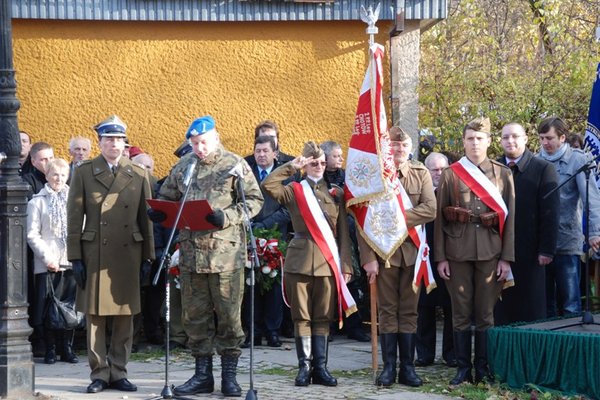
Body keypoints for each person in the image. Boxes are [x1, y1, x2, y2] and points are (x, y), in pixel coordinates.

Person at [153, 115, 263, 397]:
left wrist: (225, 217)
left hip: (225, 257)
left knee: (228, 318)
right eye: (194, 143)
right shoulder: (184, 166)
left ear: (214, 138)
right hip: (192, 257)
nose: (199, 148)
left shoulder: (234, 165)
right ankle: (202, 376)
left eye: (203, 142)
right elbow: (167, 197)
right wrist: (160, 211)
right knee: (195, 319)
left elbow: (254, 201)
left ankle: (229, 377)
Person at [67, 115, 155, 394]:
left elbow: (146, 219)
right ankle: (99, 373)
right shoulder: (83, 172)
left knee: (124, 317)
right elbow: (73, 218)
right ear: (100, 142)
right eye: (108, 140)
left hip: (129, 251)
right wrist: (75, 257)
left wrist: (148, 257)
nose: (114, 145)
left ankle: (119, 371)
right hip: (95, 252)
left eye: (118, 140)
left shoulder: (139, 174)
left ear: (124, 143)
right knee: (94, 317)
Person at [263, 141, 356, 387]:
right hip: (300, 261)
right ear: (306, 164)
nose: (319, 166)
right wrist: (292, 167)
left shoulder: (335, 194)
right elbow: (268, 185)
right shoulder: (295, 190)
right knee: (301, 317)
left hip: (327, 262)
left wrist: (346, 264)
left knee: (323, 317)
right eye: (314, 162)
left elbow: (344, 233)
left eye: (323, 163)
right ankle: (303, 368)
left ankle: (321, 368)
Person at [435, 117, 515, 385]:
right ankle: (462, 369)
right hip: (457, 251)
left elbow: (510, 218)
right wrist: (440, 257)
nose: (474, 143)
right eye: (470, 139)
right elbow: (439, 219)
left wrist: (506, 258)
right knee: (459, 311)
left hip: (491, 252)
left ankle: (483, 367)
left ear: (489, 141)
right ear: (464, 142)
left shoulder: (503, 174)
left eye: (480, 138)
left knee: (485, 313)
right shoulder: (451, 174)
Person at [359, 127, 436, 388]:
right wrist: (367, 258)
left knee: (409, 311)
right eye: (393, 146)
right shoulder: (375, 177)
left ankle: (408, 368)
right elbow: (362, 220)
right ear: (386, 148)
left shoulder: (420, 173)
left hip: (413, 253)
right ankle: (389, 367)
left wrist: (395, 220)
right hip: (384, 255)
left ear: (409, 148)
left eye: (403, 146)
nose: (398, 150)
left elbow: (430, 209)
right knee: (387, 311)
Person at [495, 122, 559, 324]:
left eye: (515, 136)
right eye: (505, 137)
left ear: (525, 139)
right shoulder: (492, 168)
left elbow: (550, 213)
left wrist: (546, 250)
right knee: (502, 310)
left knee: (531, 311)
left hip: (531, 252)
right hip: (497, 253)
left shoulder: (543, 169)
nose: (510, 141)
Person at [537, 117, 600, 317]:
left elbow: (591, 199)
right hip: (540, 244)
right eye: (541, 138)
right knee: (544, 304)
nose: (545, 143)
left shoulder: (578, 160)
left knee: (570, 303)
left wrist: (594, 232)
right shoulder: (534, 161)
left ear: (562, 137)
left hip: (567, 241)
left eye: (550, 138)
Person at [27, 158, 79, 365]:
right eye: (54, 174)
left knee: (69, 308)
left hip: (70, 261)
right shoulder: (36, 202)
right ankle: (50, 349)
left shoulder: (74, 200)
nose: (59, 178)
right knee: (49, 309)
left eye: (63, 174)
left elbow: (80, 230)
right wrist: (48, 259)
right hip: (48, 263)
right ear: (47, 175)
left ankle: (66, 349)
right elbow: (32, 234)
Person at [241, 135, 291, 348]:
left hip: (274, 237)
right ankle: (253, 331)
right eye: (258, 151)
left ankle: (272, 331)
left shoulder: (284, 178)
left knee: (273, 287)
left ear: (275, 153)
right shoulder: (245, 174)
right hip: (249, 234)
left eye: (265, 151)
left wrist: (266, 224)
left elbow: (288, 209)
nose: (261, 155)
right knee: (250, 285)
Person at [320, 140, 370, 343]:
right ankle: (328, 326)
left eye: (341, 155)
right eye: (336, 155)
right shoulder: (315, 179)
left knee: (350, 280)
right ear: (325, 157)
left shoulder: (348, 178)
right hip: (323, 236)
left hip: (346, 237)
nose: (341, 159)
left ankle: (354, 325)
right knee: (327, 282)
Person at [415, 151, 455, 367]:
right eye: (434, 170)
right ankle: (424, 353)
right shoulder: (419, 193)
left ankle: (451, 353)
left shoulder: (455, 192)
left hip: (450, 257)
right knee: (424, 307)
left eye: (442, 169)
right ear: (426, 171)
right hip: (424, 257)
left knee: (451, 307)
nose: (439, 173)